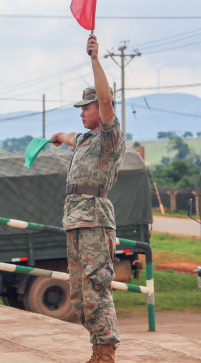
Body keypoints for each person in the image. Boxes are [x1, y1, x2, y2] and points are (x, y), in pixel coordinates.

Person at [51, 35, 125, 363]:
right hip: (75, 222)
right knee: (80, 295)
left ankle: (106, 352)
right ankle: (97, 350)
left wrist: (95, 59)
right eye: (80, 108)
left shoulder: (110, 138)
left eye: (87, 107)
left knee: (97, 287)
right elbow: (70, 137)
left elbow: (107, 101)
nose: (82, 113)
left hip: (94, 219)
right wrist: (56, 137)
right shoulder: (83, 140)